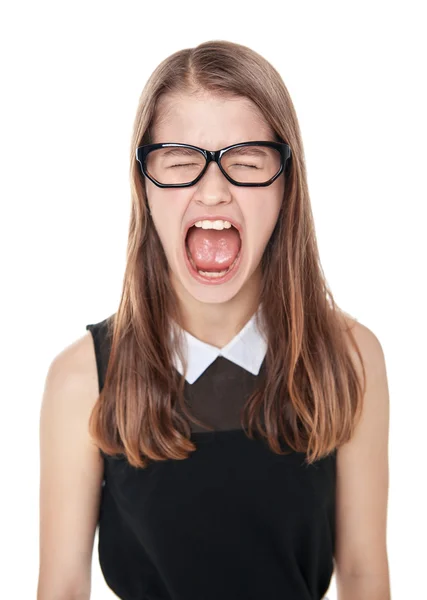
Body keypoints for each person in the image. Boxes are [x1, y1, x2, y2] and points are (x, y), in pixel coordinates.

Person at [38, 40, 391, 600]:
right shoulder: (81, 380)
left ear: (285, 186)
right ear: (144, 186)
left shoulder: (348, 357)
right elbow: (60, 588)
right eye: (180, 164)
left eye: (247, 162)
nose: (212, 190)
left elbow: (367, 576)